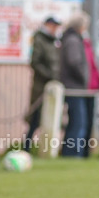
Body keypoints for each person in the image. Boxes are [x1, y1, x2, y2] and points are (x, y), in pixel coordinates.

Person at [59, 12, 99, 158]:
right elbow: (74, 62)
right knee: (78, 123)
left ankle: (78, 153)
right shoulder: (73, 40)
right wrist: (85, 79)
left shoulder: (75, 40)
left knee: (78, 122)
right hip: (76, 88)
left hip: (80, 88)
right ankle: (73, 154)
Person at [25, 16, 61, 150]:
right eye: (53, 26)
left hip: (53, 87)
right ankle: (27, 146)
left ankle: (46, 146)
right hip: (41, 86)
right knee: (35, 118)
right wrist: (49, 76)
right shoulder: (40, 40)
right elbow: (35, 62)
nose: (55, 29)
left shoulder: (54, 41)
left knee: (50, 117)